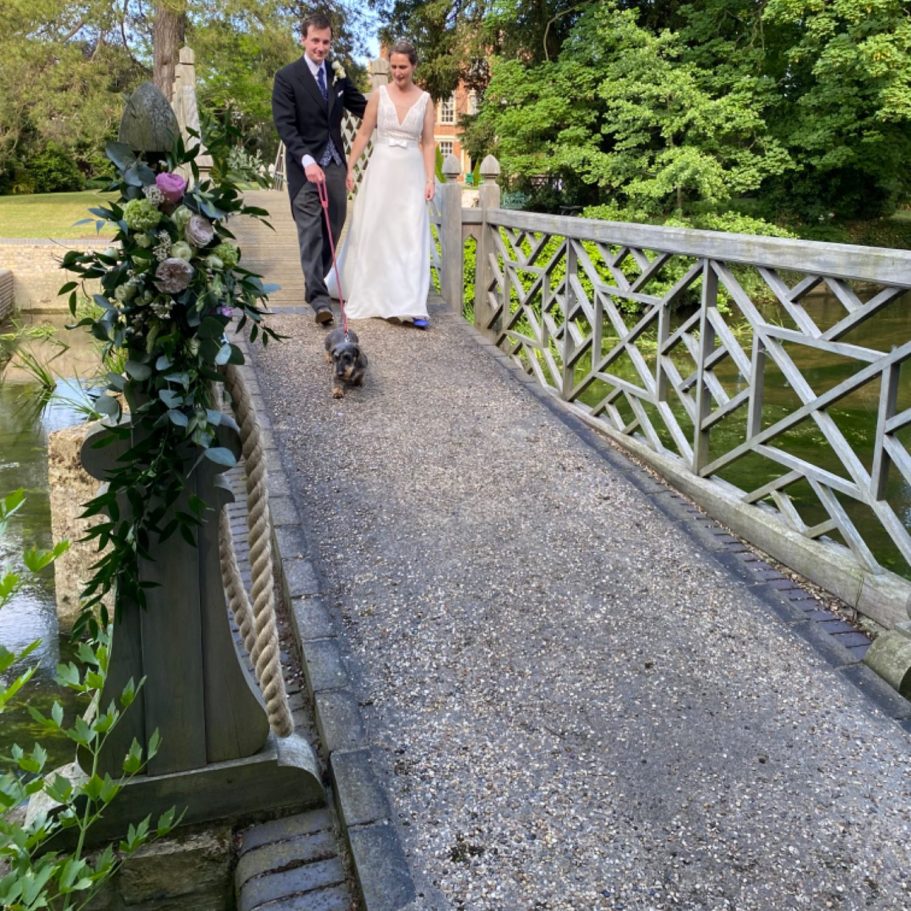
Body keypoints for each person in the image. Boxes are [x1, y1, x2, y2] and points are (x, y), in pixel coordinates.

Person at [272, 12, 367, 326]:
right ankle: (318, 298)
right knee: (311, 230)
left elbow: (362, 106)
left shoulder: (337, 74)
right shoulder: (287, 77)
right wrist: (307, 160)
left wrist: (396, 110)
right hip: (304, 167)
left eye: (326, 42)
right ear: (303, 39)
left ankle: (317, 283)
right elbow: (285, 126)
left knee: (334, 224)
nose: (321, 47)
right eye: (315, 40)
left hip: (335, 161)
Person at [333, 40, 435, 328]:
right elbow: (364, 134)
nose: (398, 72)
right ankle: (373, 294)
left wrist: (430, 179)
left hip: (411, 174)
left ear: (414, 66)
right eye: (394, 67)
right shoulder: (379, 95)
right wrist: (350, 167)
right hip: (381, 171)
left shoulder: (425, 100)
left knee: (409, 234)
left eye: (403, 67)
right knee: (376, 229)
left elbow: (428, 143)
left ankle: (411, 303)